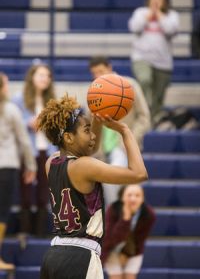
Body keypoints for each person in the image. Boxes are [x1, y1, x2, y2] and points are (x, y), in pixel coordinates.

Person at [37, 94, 148, 279]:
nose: (93, 136)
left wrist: (95, 121)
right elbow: (139, 174)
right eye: (87, 130)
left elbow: (89, 148)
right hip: (80, 258)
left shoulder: (52, 162)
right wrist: (125, 131)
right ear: (68, 137)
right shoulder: (84, 166)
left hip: (53, 256)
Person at [89, 56, 151, 206]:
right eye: (94, 73)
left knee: (116, 185)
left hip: (123, 148)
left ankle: (114, 216)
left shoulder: (129, 85)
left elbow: (144, 118)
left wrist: (129, 140)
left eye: (101, 71)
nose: (98, 76)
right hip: (101, 151)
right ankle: (114, 219)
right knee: (110, 189)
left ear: (109, 68)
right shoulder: (93, 91)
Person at [13, 64, 56, 238]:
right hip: (28, 152)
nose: (44, 78)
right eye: (41, 75)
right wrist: (28, 123)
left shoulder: (52, 101)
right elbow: (13, 124)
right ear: (32, 77)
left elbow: (59, 128)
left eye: (47, 75)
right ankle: (24, 231)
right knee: (26, 191)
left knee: (44, 193)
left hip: (47, 150)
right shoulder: (19, 99)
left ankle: (40, 233)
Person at [0, 72, 36, 270]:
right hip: (6, 165)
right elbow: (23, 140)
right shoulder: (11, 109)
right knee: (1, 213)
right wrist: (31, 165)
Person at [128, 0, 179, 121]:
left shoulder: (172, 15)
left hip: (163, 63)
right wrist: (149, 15)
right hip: (141, 58)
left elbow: (170, 30)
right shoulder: (140, 12)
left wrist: (159, 14)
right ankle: (142, 113)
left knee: (158, 98)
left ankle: (152, 122)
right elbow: (134, 27)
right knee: (144, 80)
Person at [102, 184, 156, 279]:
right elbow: (111, 238)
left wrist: (126, 254)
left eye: (137, 195)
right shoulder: (113, 209)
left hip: (134, 250)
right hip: (111, 248)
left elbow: (140, 240)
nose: (133, 199)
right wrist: (125, 219)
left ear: (143, 198)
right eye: (129, 195)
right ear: (122, 197)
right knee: (116, 276)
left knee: (130, 276)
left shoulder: (149, 215)